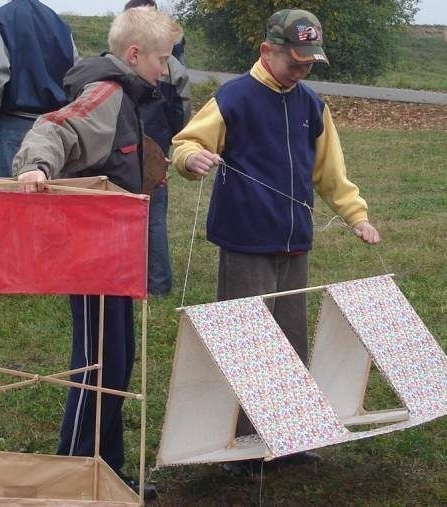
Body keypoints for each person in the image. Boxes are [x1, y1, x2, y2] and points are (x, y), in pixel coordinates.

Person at [171, 8, 381, 474]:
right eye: (295, 61)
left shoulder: (312, 105)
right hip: (246, 242)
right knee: (247, 341)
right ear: (268, 51)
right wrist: (192, 159)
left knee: (288, 339)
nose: (302, 69)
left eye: (309, 63)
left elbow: (331, 174)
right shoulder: (235, 98)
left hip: (294, 244)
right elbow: (185, 143)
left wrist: (355, 216)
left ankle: (287, 434)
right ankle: (242, 443)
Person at [13, 6, 182, 498]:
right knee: (98, 366)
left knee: (118, 361)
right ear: (135, 54)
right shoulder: (106, 92)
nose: (165, 69)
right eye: (161, 59)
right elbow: (56, 126)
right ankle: (73, 478)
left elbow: (117, 155)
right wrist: (36, 166)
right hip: (90, 255)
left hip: (116, 256)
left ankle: (107, 473)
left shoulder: (128, 95)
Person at [124, 0, 190, 296]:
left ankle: (153, 282)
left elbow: (182, 113)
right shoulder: (173, 65)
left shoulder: (166, 65)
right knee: (151, 217)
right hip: (142, 148)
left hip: (145, 151)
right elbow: (182, 113)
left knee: (146, 217)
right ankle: (153, 283)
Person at [0, 0, 78, 177]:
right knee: (52, 198)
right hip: (54, 128)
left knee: (14, 199)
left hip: (15, 124)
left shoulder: (0, 18)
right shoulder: (60, 24)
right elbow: (75, 75)